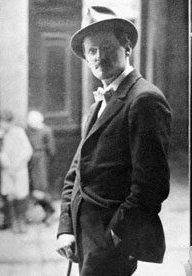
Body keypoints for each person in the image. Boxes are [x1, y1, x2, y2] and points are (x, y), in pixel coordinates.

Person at [55, 6, 172, 276]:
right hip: (83, 237)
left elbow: (151, 185)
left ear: (127, 46)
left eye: (106, 47)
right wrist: (66, 227)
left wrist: (116, 235)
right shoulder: (100, 102)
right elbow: (77, 170)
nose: (98, 57)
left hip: (109, 241)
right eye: (91, 51)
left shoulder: (144, 99)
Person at [0, 110, 33, 233]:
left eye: (7, 122)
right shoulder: (0, 134)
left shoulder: (19, 132)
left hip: (19, 168)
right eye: (2, 122)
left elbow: (28, 150)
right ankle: (13, 221)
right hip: (7, 169)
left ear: (12, 122)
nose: (4, 125)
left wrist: (18, 163)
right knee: (10, 194)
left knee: (21, 194)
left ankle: (22, 221)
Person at [25, 110, 57, 225]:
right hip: (30, 161)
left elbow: (51, 149)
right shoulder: (28, 131)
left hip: (41, 162)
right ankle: (49, 210)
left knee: (40, 188)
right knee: (34, 189)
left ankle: (50, 211)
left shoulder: (46, 131)